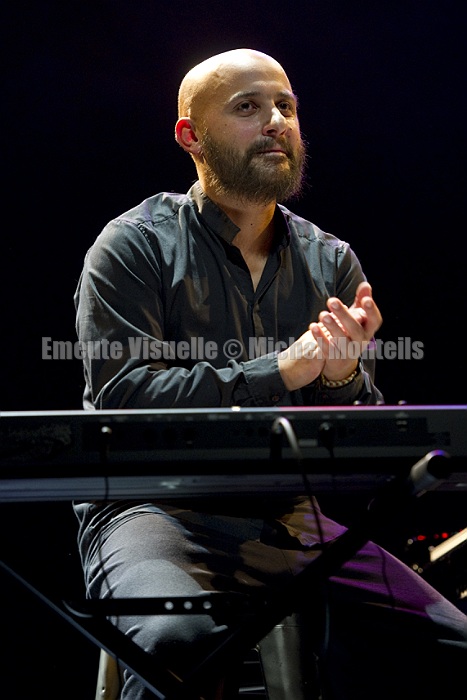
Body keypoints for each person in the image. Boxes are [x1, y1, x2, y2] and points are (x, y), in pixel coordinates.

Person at [73, 48, 467, 699]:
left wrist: (339, 378)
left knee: (452, 644)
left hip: (287, 518)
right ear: (190, 136)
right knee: (176, 647)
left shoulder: (330, 260)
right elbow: (127, 398)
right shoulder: (132, 245)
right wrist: (280, 369)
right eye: (248, 107)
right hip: (155, 511)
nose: (276, 121)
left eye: (286, 106)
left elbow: (357, 436)